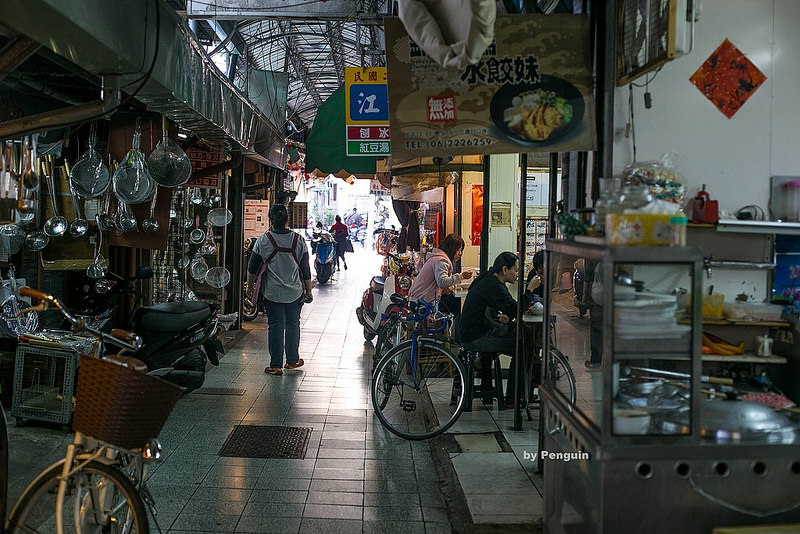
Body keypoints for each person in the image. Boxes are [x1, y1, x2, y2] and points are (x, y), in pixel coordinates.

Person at [458, 252, 541, 407]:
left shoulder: (488, 278)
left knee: (525, 336)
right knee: (522, 343)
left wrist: (503, 316)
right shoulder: (493, 285)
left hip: (473, 331)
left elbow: (506, 307)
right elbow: (516, 309)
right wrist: (529, 290)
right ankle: (516, 396)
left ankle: (527, 385)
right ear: (504, 269)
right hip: (476, 337)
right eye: (515, 270)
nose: (517, 274)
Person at [246, 204, 313, 376]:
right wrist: (309, 291)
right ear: (287, 220)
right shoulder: (299, 240)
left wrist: (250, 287)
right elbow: (305, 268)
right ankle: (292, 360)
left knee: (275, 325)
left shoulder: (263, 240)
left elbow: (252, 268)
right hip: (295, 292)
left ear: (271, 220)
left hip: (272, 292)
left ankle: (276, 365)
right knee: (292, 324)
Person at [408, 233, 473, 320]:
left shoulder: (438, 258)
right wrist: (461, 276)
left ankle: (445, 328)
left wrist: (445, 289)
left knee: (451, 302)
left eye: (461, 250)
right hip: (421, 302)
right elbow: (442, 282)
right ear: (451, 249)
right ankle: (446, 329)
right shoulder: (441, 260)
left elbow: (438, 283)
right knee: (454, 303)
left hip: (418, 299)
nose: (460, 253)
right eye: (458, 250)